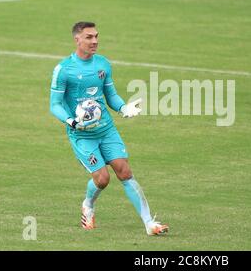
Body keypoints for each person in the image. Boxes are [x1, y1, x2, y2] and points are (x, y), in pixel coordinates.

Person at [49, 21, 168, 235]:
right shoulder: (63, 70)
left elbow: (110, 95)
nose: (95, 41)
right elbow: (55, 104)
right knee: (103, 179)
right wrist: (72, 121)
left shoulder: (103, 64)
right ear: (77, 39)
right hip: (82, 135)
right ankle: (88, 205)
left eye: (96, 36)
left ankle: (149, 223)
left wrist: (123, 107)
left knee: (125, 171)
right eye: (89, 37)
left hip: (107, 130)